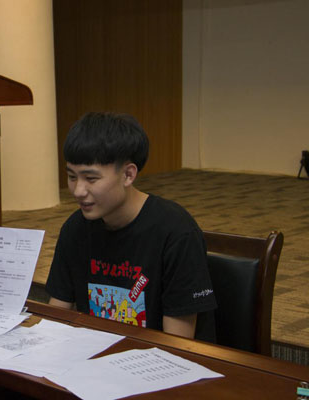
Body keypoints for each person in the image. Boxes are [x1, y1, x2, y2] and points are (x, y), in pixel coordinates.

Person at [45, 112, 217, 339]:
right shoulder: (75, 229)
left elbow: (178, 343)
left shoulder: (176, 232)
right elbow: (56, 319)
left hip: (160, 356)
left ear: (128, 175)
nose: (78, 191)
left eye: (91, 179)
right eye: (72, 177)